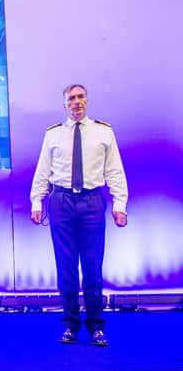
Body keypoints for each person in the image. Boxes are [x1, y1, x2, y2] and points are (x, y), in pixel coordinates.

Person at [30, 84, 128, 347]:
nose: (76, 102)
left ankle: (96, 326)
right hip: (61, 202)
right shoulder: (53, 135)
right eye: (71, 98)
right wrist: (36, 203)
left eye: (80, 97)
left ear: (87, 100)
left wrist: (120, 205)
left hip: (92, 202)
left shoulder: (103, 132)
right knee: (66, 269)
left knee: (93, 268)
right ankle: (70, 325)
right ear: (65, 104)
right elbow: (43, 170)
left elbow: (115, 171)